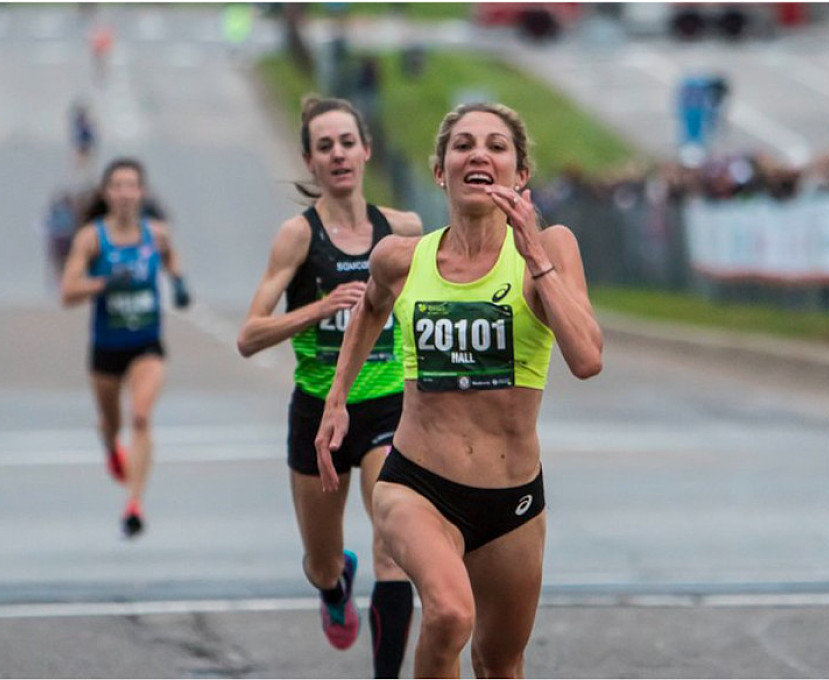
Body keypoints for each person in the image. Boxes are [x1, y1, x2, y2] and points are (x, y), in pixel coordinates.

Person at [315, 102, 603, 678]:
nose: (480, 154)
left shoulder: (551, 248)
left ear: (520, 174)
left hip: (511, 501)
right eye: (463, 145)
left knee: (499, 663)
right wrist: (336, 400)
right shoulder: (400, 259)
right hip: (416, 484)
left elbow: (587, 359)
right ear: (441, 171)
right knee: (448, 615)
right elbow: (369, 310)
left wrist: (535, 254)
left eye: (497, 146)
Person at [236, 97, 422, 677]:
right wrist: (319, 309)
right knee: (321, 563)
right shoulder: (298, 237)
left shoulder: (404, 230)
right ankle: (334, 584)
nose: (338, 154)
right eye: (325, 146)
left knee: (393, 547)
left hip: (388, 408)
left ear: (366, 150)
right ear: (309, 162)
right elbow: (248, 336)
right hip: (318, 415)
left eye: (346, 142)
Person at [60, 157, 192, 538]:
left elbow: (171, 257)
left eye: (131, 185)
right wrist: (103, 283)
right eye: (116, 186)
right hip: (106, 348)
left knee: (141, 416)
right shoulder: (92, 238)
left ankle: (134, 505)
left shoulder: (156, 234)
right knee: (111, 424)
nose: (124, 193)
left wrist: (179, 282)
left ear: (142, 192)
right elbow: (68, 291)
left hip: (146, 344)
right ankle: (111, 448)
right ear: (106, 193)